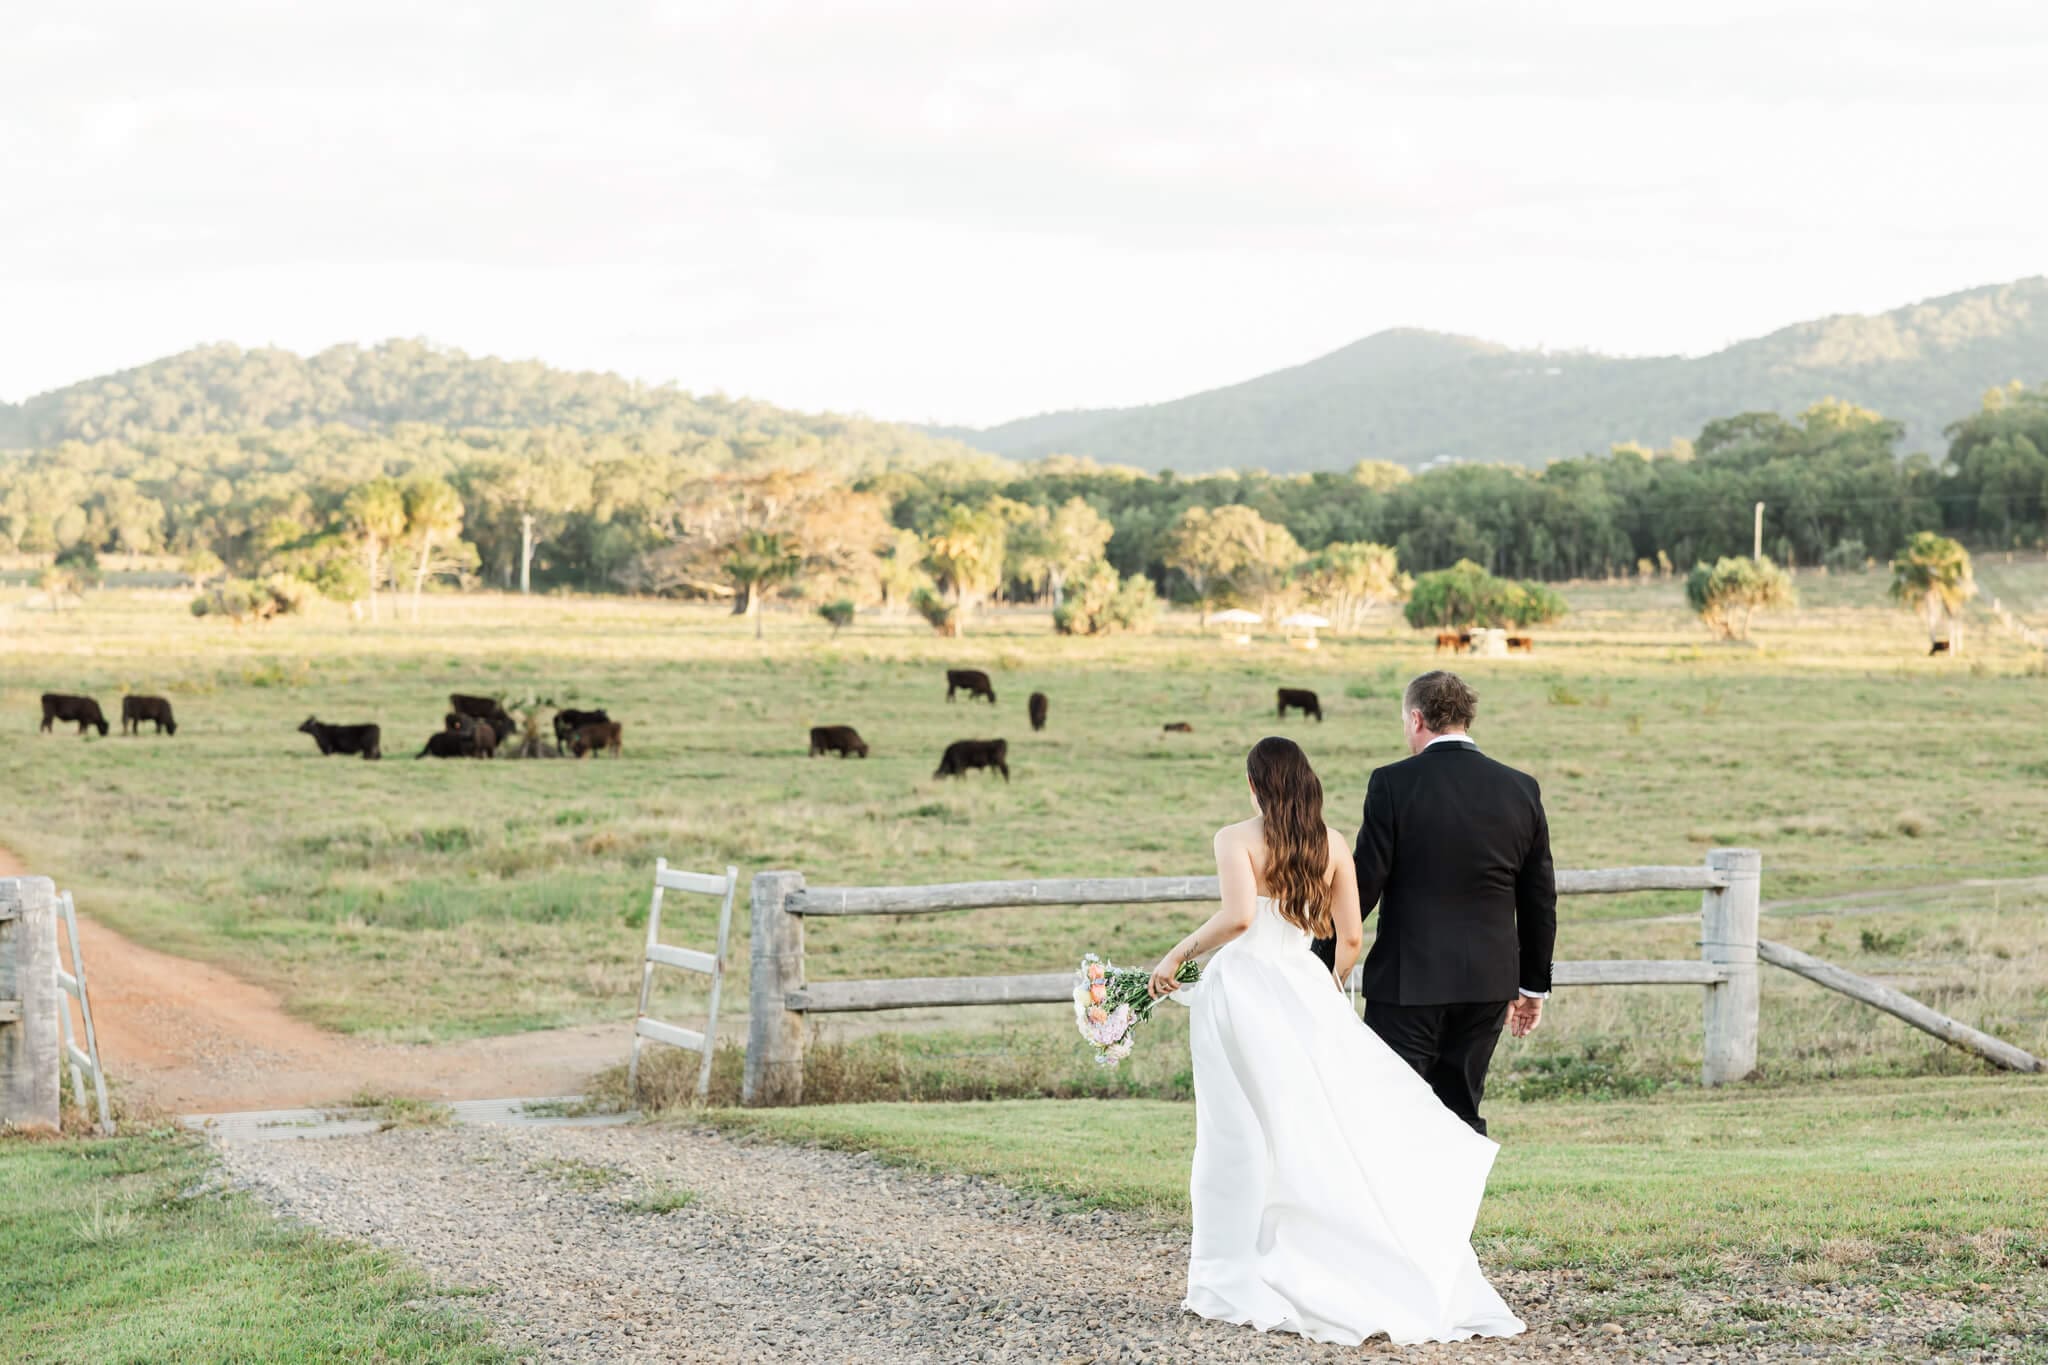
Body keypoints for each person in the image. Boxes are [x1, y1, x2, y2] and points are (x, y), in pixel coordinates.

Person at [1148, 736, 1524, 1347]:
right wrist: (1325, 987)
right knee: (1316, 1120)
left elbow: (1241, 918)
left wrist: (1177, 954)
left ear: (1254, 785)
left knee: (1236, 1130)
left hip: (1243, 990)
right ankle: (1334, 1252)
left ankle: (1231, 1271)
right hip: (1304, 984)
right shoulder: (1333, 845)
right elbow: (1349, 937)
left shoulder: (1234, 839)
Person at [1312, 670, 1557, 1135]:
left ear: (1417, 719)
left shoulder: (1393, 784)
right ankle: (1453, 1210)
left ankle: (1396, 1209)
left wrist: (1315, 959)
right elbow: (1539, 898)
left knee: (1388, 1110)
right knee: (1462, 1111)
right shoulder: (1521, 789)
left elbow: (1363, 887)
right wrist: (1532, 987)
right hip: (1487, 983)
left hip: (1408, 984)